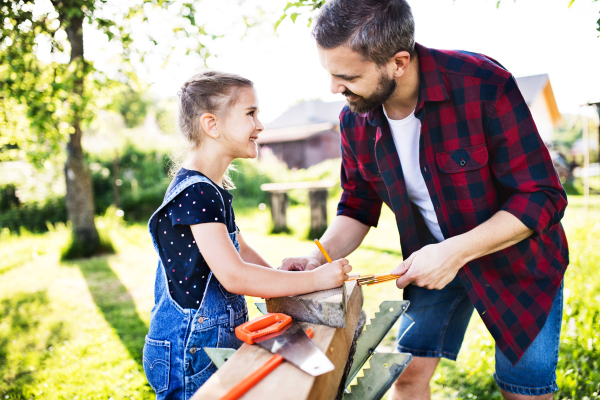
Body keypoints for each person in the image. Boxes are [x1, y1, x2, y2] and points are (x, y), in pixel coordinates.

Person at [280, 1, 569, 399]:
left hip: (517, 261)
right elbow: (358, 204)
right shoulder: (354, 119)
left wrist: (455, 252)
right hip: (431, 261)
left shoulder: (484, 84)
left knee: (523, 390)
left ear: (398, 62)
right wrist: (318, 257)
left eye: (347, 76)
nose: (334, 88)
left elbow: (543, 196)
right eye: (330, 73)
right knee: (406, 376)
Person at [143, 71, 352, 399]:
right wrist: (317, 280)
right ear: (212, 125)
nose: (260, 125)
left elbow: (237, 248)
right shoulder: (196, 192)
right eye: (250, 114)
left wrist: (277, 274)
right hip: (191, 351)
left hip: (207, 343)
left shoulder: (212, 187)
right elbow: (235, 275)